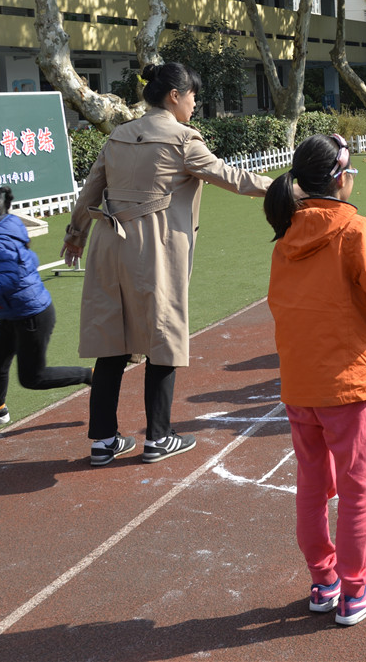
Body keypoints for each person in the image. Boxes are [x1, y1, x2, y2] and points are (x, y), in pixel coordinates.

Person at [63, 62, 271, 466]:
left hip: (108, 247)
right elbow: (233, 177)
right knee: (163, 340)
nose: (195, 104)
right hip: (153, 248)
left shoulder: (118, 136)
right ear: (174, 96)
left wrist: (75, 235)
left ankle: (103, 440)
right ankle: (158, 437)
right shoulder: (181, 140)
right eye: (193, 96)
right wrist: (287, 189)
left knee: (111, 343)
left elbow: (91, 190)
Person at [262, 134, 366, 626]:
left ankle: (324, 581)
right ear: (342, 178)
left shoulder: (286, 235)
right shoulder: (355, 229)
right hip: (345, 383)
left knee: (311, 486)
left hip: (299, 381)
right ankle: (354, 589)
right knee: (353, 490)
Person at [0, 179, 91, 426]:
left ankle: (91, 376)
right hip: (14, 310)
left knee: (33, 377)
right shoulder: (2, 227)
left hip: (30, 315)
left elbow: (10, 278)